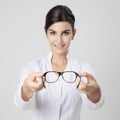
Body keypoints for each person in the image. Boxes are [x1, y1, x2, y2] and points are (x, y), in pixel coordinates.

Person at [14, 5, 104, 120]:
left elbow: (96, 104)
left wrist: (94, 91)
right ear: (46, 33)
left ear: (74, 33)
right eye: (53, 33)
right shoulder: (33, 68)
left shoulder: (83, 70)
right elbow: (21, 105)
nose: (59, 40)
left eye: (65, 33)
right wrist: (27, 88)